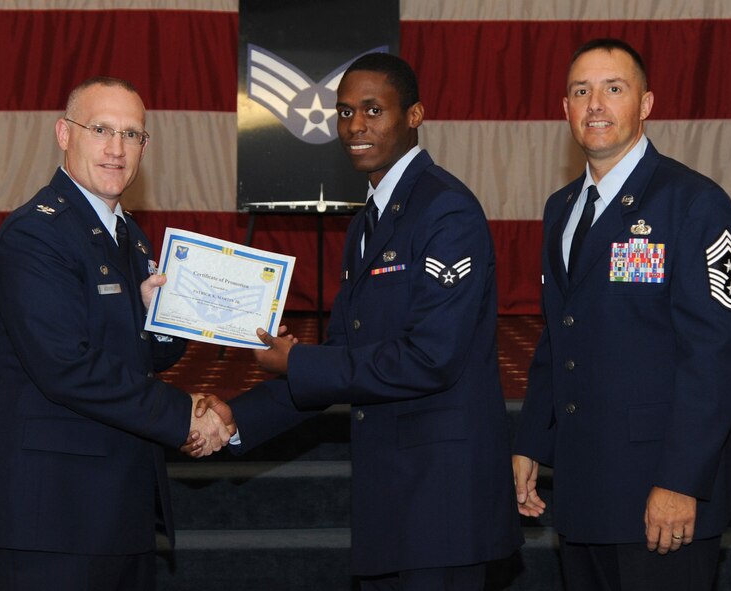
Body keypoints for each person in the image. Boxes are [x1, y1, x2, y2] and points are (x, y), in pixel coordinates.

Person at [188, 53, 523, 590]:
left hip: (442, 505)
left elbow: (429, 359)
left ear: (414, 115)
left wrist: (298, 359)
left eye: (373, 110)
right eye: (345, 113)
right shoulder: (367, 222)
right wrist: (235, 419)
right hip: (391, 498)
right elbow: (342, 354)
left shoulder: (446, 211)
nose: (356, 127)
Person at [0, 76, 231, 591]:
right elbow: (68, 368)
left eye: (132, 134)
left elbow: (135, 355)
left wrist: (163, 322)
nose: (117, 149)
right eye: (101, 130)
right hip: (52, 520)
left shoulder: (129, 237)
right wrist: (185, 415)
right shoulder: (36, 236)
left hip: (117, 512)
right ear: (64, 135)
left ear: (145, 146)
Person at [512, 39, 731, 590]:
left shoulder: (693, 203)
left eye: (613, 89)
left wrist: (679, 481)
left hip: (659, 497)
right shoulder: (561, 210)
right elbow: (559, 335)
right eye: (581, 91)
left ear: (644, 105)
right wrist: (532, 438)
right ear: (564, 109)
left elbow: (714, 358)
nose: (595, 104)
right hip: (582, 491)